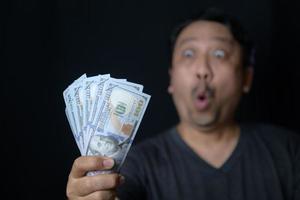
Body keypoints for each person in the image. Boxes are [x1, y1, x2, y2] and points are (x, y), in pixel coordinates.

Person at [66, 8, 300, 200]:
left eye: (219, 54)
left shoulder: (289, 151)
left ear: (246, 78)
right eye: (188, 54)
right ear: (171, 79)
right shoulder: (134, 163)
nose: (202, 70)